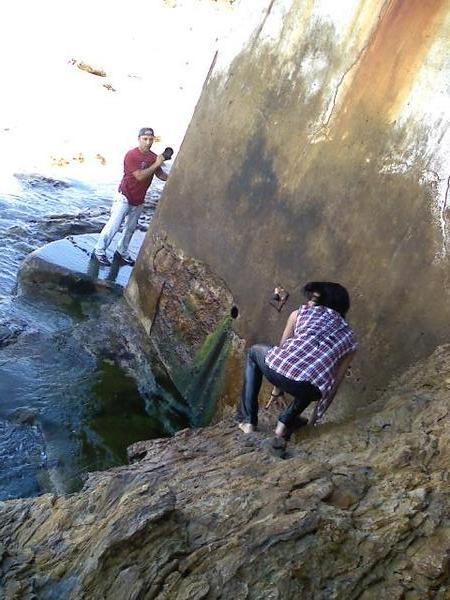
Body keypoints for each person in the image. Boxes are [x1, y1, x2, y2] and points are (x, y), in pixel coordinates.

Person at [237, 282, 357, 440]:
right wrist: (314, 422)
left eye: (313, 300)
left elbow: (282, 351)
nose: (308, 303)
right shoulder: (350, 340)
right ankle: (284, 424)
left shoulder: (299, 313)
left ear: (325, 303)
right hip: (311, 389)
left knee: (254, 352)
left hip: (280, 369)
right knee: (317, 377)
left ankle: (248, 421)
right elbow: (333, 386)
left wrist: (277, 391)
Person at [93, 127, 169, 266]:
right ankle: (98, 251)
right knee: (114, 226)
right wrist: (157, 163)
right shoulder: (131, 155)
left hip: (139, 199)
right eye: (145, 139)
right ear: (139, 139)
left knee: (130, 228)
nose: (148, 142)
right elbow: (139, 176)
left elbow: (160, 175)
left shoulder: (153, 157)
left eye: (151, 139)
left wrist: (173, 176)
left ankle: (121, 252)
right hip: (124, 196)